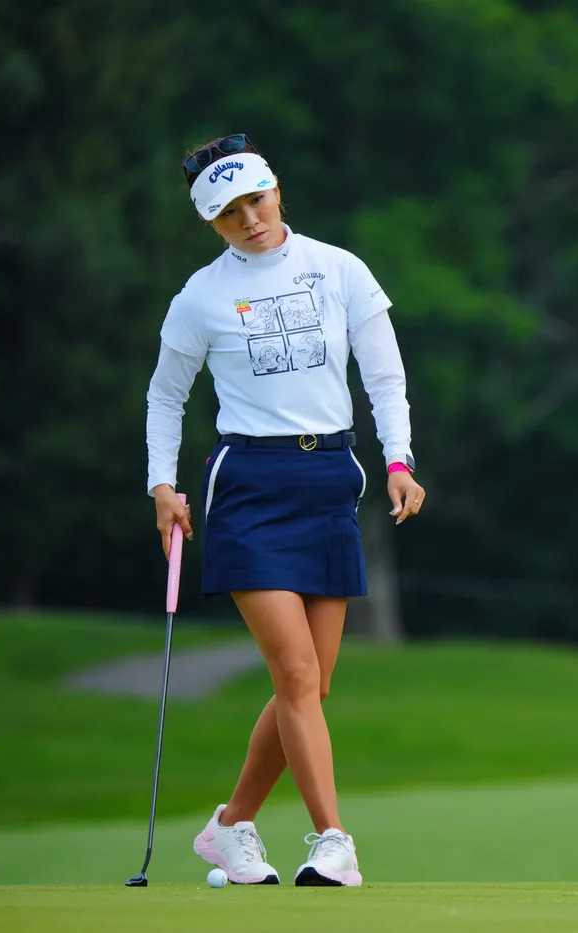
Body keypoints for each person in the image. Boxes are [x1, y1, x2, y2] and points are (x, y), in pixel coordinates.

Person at [144, 133, 425, 887]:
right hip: (248, 486)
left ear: (276, 191)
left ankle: (231, 825)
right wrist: (162, 485)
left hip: (329, 478)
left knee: (311, 685)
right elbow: (166, 396)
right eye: (228, 213)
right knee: (296, 672)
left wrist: (398, 460)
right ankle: (333, 839)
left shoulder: (340, 269)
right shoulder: (200, 297)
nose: (249, 220)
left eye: (256, 201)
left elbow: (385, 375)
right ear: (209, 222)